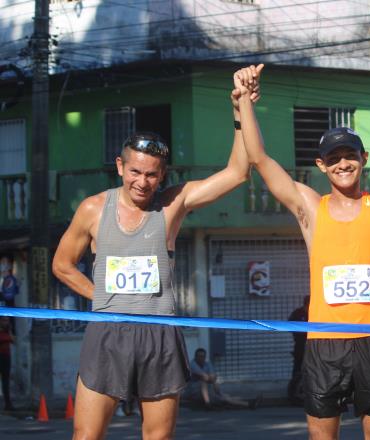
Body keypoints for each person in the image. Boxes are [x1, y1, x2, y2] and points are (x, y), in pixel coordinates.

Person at [236, 61, 370, 439]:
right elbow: (259, 160)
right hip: (324, 342)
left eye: (350, 155)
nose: (343, 163)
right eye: (334, 158)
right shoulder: (310, 207)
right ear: (322, 165)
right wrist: (244, 101)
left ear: (364, 158)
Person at [51, 69, 259, 439]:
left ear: (162, 175)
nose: (141, 182)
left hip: (159, 334)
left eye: (151, 174)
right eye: (134, 171)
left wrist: (240, 109)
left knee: (159, 437)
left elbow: (238, 173)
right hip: (108, 333)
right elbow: (62, 265)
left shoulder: (171, 205)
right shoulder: (93, 209)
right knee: (85, 436)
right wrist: (101, 298)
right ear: (120, 166)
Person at [288, 295, 310, 405]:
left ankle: (306, 394)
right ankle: (293, 395)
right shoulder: (298, 313)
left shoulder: (314, 314)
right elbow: (290, 326)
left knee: (310, 371)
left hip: (312, 347)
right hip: (300, 347)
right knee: (298, 371)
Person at [0, 316, 13, 411]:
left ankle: (8, 404)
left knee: (6, 381)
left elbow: (13, 339)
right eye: (4, 320)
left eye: (7, 320)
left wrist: (9, 334)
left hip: (6, 357)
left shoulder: (8, 330)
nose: (6, 322)